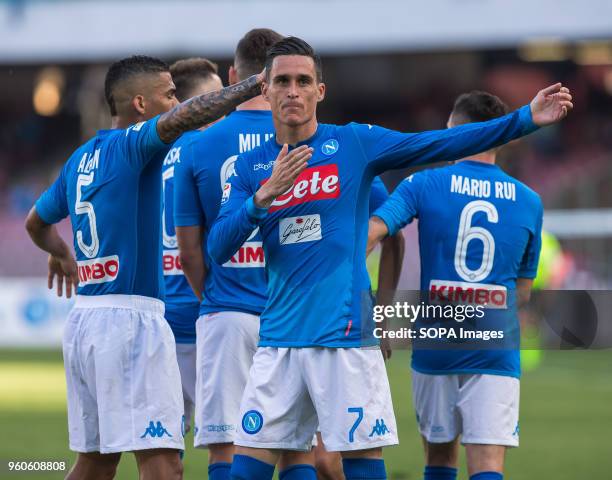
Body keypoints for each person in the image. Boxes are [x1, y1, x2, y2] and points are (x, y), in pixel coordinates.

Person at [208, 36, 572, 480]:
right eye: (282, 81)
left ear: (320, 91)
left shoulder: (354, 145)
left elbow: (441, 143)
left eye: (304, 81)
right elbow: (218, 248)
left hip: (345, 342)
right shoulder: (250, 168)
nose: (293, 90)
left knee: (361, 469)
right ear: (263, 89)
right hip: (278, 341)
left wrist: (524, 120)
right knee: (244, 471)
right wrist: (261, 199)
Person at [24, 55, 265, 480]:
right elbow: (192, 114)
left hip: (85, 320)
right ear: (139, 103)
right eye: (168, 94)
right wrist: (255, 85)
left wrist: (62, 252)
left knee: (96, 463)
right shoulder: (134, 145)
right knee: (164, 465)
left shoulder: (81, 157)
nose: (176, 101)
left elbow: (36, 222)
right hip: (130, 323)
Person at [367, 91, 546, 480]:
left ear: (454, 130)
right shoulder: (530, 200)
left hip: (436, 343)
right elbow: (524, 292)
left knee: (439, 460)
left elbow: (377, 231)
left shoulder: (424, 183)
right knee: (487, 466)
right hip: (494, 344)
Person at [162, 57, 224, 439]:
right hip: (205, 312)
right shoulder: (209, 150)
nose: (227, 106)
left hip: (161, 318)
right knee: (232, 438)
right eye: (218, 99)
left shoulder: (150, 154)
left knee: (165, 451)